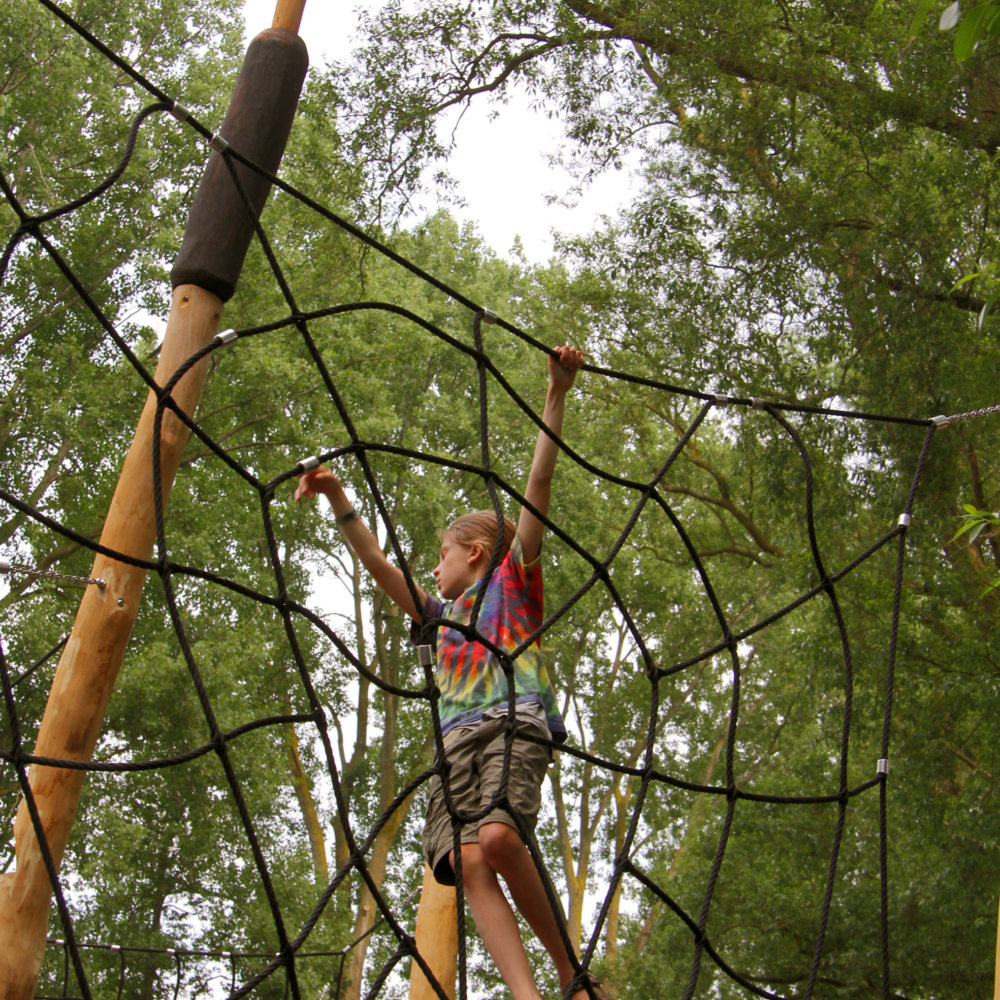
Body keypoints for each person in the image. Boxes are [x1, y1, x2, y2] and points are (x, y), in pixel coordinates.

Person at [295, 346, 609, 1000]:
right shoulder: (437, 615)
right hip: (454, 747)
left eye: (441, 556)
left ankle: (569, 974)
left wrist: (556, 393)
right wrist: (336, 495)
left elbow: (539, 489)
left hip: (511, 725)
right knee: (467, 859)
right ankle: (526, 995)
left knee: (496, 836)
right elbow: (379, 565)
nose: (433, 570)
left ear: (474, 551)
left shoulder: (514, 581)